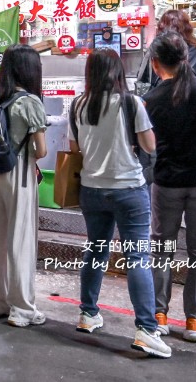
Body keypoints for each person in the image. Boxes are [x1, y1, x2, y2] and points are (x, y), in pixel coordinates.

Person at [68, 49, 170, 358]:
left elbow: (75, 148)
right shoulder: (130, 102)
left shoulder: (78, 104)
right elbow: (149, 144)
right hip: (128, 189)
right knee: (138, 257)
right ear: (116, 72)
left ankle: (87, 313)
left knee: (95, 248)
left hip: (92, 189)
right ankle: (147, 330)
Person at [145, 31, 196, 343]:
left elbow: (147, 145)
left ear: (156, 64)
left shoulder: (151, 100)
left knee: (162, 249)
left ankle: (158, 315)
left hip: (166, 182)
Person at [0, 44, 48, 325]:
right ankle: (21, 308)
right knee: (20, 239)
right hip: (19, 172)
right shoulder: (30, 102)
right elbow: (41, 150)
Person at [140, 10, 196, 87]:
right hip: (194, 97)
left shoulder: (153, 53)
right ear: (188, 29)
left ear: (161, 29)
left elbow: (141, 82)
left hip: (158, 96)